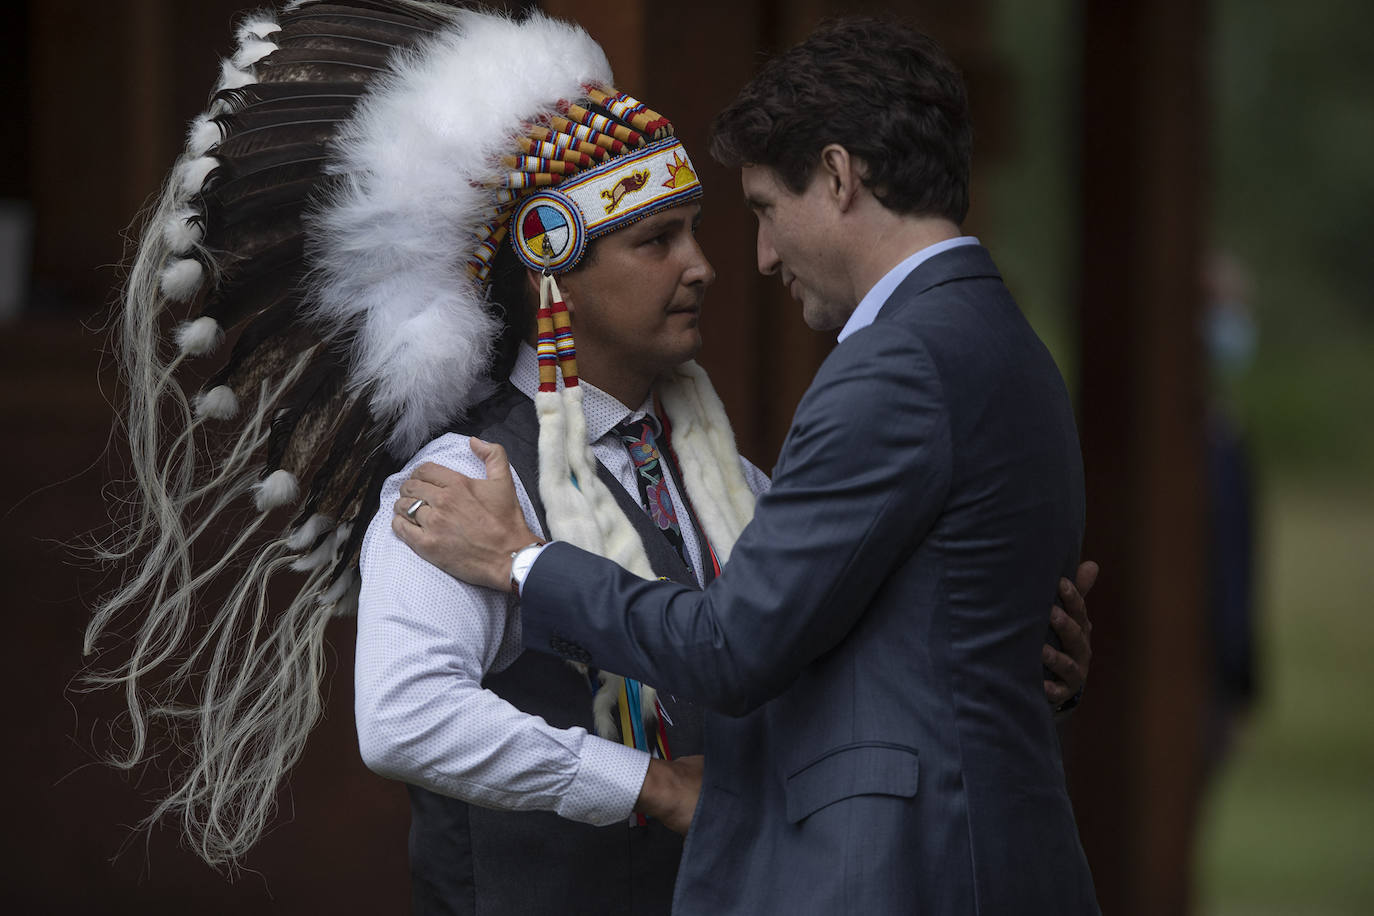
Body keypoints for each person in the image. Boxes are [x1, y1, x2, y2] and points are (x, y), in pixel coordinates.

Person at [83, 1, 1092, 911]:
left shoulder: (730, 482)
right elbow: (403, 714)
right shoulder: (463, 480)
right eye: (657, 240)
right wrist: (649, 786)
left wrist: (984, 641)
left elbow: (786, 643)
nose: (709, 266)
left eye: (700, 229)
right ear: (554, 271)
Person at [393, 17, 1100, 915]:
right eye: (659, 241)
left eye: (764, 209)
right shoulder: (1008, 345)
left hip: (900, 871)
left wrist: (520, 563)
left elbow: (735, 646)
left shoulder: (893, 365)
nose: (753, 259)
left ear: (839, 176)